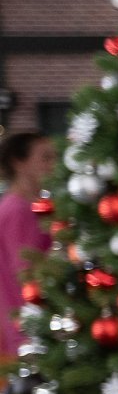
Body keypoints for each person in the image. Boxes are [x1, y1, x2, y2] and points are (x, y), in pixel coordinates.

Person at [0, 132, 55, 360]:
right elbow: (27, 272)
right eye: (45, 158)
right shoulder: (20, 211)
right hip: (29, 332)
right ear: (18, 162)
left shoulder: (22, 207)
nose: (53, 165)